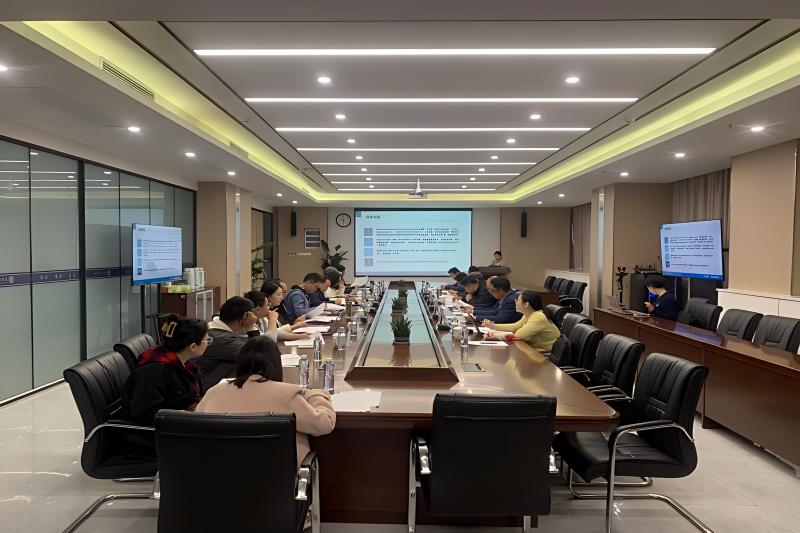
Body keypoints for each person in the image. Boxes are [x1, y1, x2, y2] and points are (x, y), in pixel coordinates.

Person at [196, 336, 336, 465]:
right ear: (276, 364)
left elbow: (196, 429)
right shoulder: (286, 395)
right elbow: (324, 424)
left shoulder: (213, 392)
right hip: (276, 477)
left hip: (218, 473)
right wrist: (315, 394)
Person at [121, 317, 209, 426]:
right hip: (161, 431)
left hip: (182, 421)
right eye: (207, 340)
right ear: (193, 347)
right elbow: (145, 416)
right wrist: (186, 414)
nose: (208, 343)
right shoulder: (154, 371)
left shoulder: (186, 362)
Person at [195, 296, 260, 391]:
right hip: (202, 393)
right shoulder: (223, 339)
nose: (255, 317)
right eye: (253, 313)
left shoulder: (212, 329)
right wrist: (251, 328)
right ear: (246, 316)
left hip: (201, 386)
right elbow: (259, 356)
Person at [483, 291, 561, 351]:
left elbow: (519, 335)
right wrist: (493, 326)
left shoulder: (538, 317)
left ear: (526, 304)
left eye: (517, 300)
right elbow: (515, 326)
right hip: (532, 351)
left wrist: (496, 335)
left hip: (544, 356)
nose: (515, 302)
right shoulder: (530, 314)